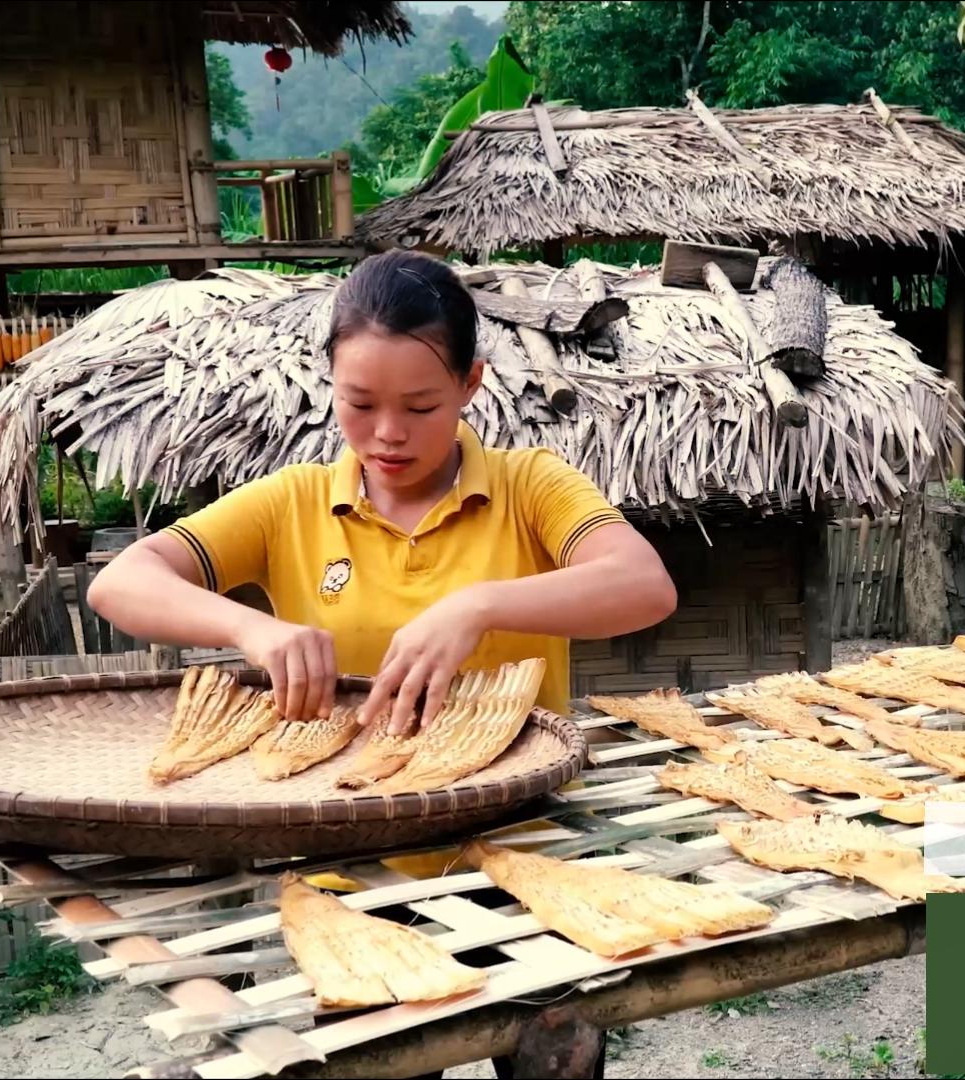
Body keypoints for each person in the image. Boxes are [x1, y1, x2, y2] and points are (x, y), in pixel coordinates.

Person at [88, 249, 676, 1079]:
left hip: (524, 858)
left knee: (554, 1060)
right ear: (329, 380)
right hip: (349, 872)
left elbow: (643, 586)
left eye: (421, 405)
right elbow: (122, 581)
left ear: (471, 387)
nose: (388, 433)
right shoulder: (291, 503)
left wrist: (482, 605)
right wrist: (253, 632)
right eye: (359, 404)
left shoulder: (530, 487)